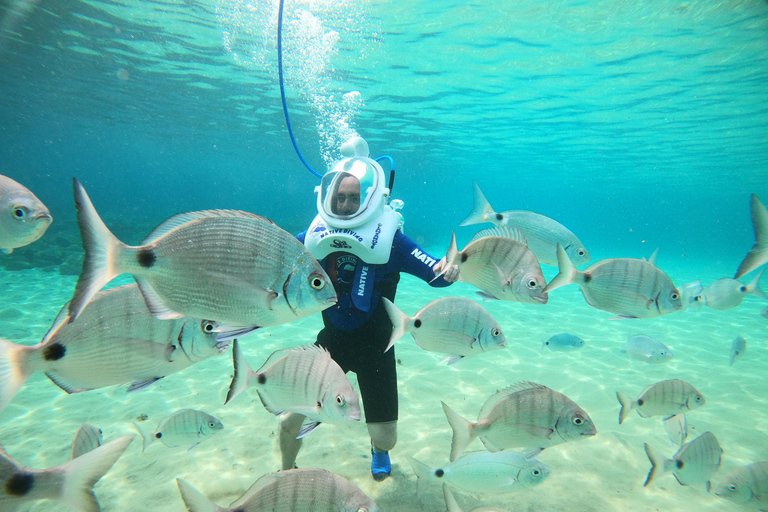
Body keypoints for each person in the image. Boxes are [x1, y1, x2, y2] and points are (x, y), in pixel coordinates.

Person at [281, 136, 459, 481]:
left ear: (368, 198)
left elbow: (435, 275)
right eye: (340, 197)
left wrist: (448, 269)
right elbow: (280, 252)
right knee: (289, 421)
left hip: (378, 345)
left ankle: (377, 449)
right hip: (331, 342)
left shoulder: (390, 238)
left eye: (353, 197)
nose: (347, 204)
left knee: (386, 438)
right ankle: (285, 475)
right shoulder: (315, 235)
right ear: (329, 199)